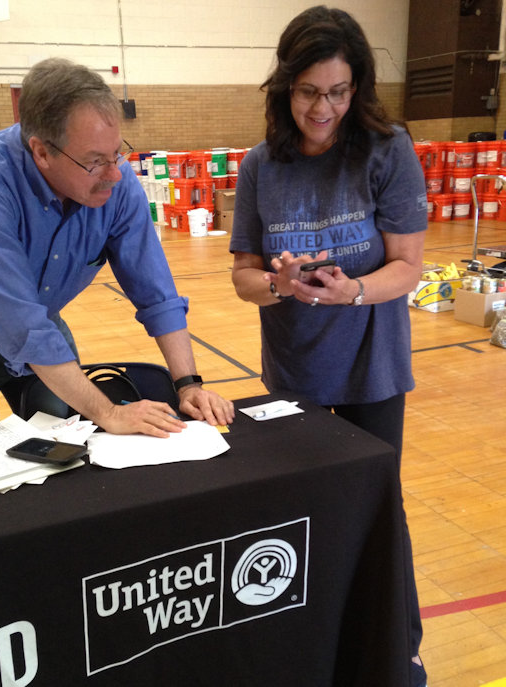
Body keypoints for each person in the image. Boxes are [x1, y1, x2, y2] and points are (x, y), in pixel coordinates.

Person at [229, 6, 427, 687]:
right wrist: (278, 284)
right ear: (286, 86)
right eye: (311, 91)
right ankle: (311, 640)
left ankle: (399, 647)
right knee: (305, 510)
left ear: (358, 88)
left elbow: (408, 265)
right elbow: (243, 279)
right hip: (297, 371)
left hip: (372, 366)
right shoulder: (261, 166)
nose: (324, 108)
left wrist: (354, 292)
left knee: (378, 509)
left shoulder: (386, 148)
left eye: (339, 92)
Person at [0, 57, 234, 440]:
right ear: (42, 152)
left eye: (117, 153)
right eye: (95, 161)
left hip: (40, 318)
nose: (114, 173)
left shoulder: (116, 179)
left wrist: (188, 384)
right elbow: (18, 322)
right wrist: (109, 412)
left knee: (67, 441)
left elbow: (156, 291)